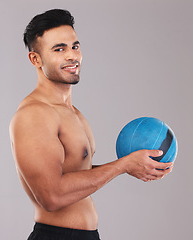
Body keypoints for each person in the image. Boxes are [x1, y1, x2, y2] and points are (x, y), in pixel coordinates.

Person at [9, 9, 173, 240]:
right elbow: (51, 196)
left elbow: (74, 176)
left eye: (74, 46)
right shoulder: (34, 114)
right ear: (36, 59)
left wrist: (133, 165)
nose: (72, 56)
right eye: (59, 49)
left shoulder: (71, 112)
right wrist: (123, 165)